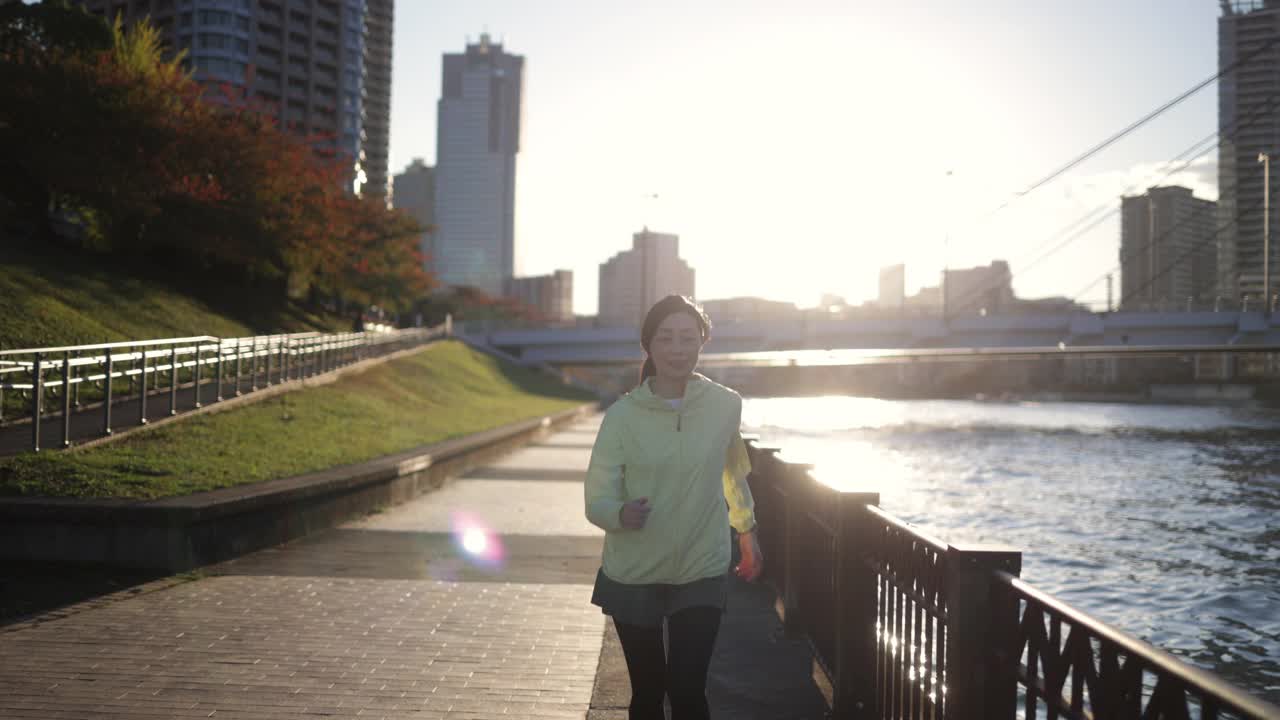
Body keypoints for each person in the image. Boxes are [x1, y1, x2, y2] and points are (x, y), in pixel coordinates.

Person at [584, 294, 763, 720]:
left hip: (701, 566)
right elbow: (597, 494)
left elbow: (732, 474)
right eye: (666, 338)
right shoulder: (622, 416)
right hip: (635, 568)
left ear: (702, 343)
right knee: (648, 693)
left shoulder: (724, 406)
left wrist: (747, 531)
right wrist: (618, 513)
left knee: (688, 691)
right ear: (649, 345)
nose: (677, 349)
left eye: (687, 338)